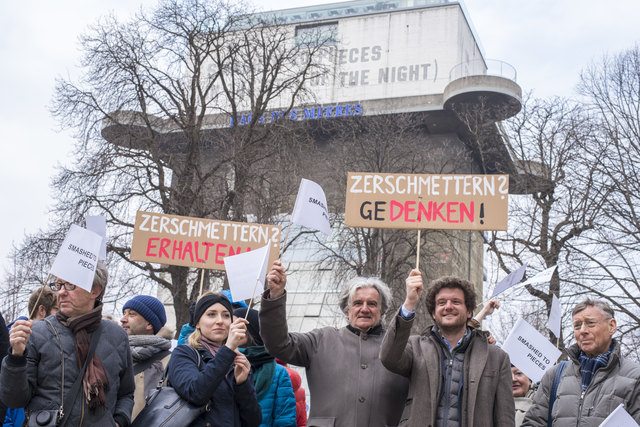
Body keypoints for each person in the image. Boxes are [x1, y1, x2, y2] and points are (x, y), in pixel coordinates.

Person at [259, 260, 409, 427]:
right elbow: (277, 343)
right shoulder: (320, 340)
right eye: (358, 303)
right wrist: (275, 296)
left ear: (382, 312)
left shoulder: (401, 349)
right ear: (347, 311)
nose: (365, 309)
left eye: (372, 304)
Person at [0, 261, 135, 426]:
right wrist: (16, 357)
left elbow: (126, 393)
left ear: (95, 290)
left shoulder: (118, 336)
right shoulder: (37, 332)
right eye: (58, 285)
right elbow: (14, 400)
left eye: (70, 285)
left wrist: (119, 421)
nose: (61, 292)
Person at [380, 270, 514, 426]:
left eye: (456, 302)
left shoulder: (497, 358)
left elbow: (505, 418)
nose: (448, 307)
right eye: (442, 303)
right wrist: (409, 302)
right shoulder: (415, 347)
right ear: (434, 313)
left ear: (469, 311)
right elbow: (388, 357)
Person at [522, 298, 640, 426]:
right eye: (577, 325)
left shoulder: (634, 377)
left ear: (611, 326)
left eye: (590, 323)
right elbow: (533, 422)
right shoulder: (555, 376)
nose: (583, 330)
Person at [167, 292, 261, 426]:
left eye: (226, 315)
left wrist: (242, 385)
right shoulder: (184, 353)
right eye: (211, 314)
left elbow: (253, 421)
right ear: (198, 323)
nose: (220, 321)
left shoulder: (238, 360)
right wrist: (227, 350)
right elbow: (196, 393)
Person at [3, 287, 60, 426]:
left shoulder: (55, 344)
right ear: (42, 310)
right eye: (57, 310)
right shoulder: (10, 343)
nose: (61, 316)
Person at [234, 307, 296, 427]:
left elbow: (285, 420)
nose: (231, 328)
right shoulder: (222, 362)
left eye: (238, 324)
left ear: (251, 331)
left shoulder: (279, 374)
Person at [120, 295, 172, 420]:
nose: (123, 319)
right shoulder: (113, 352)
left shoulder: (171, 361)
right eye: (124, 313)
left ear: (149, 324)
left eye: (131, 314)